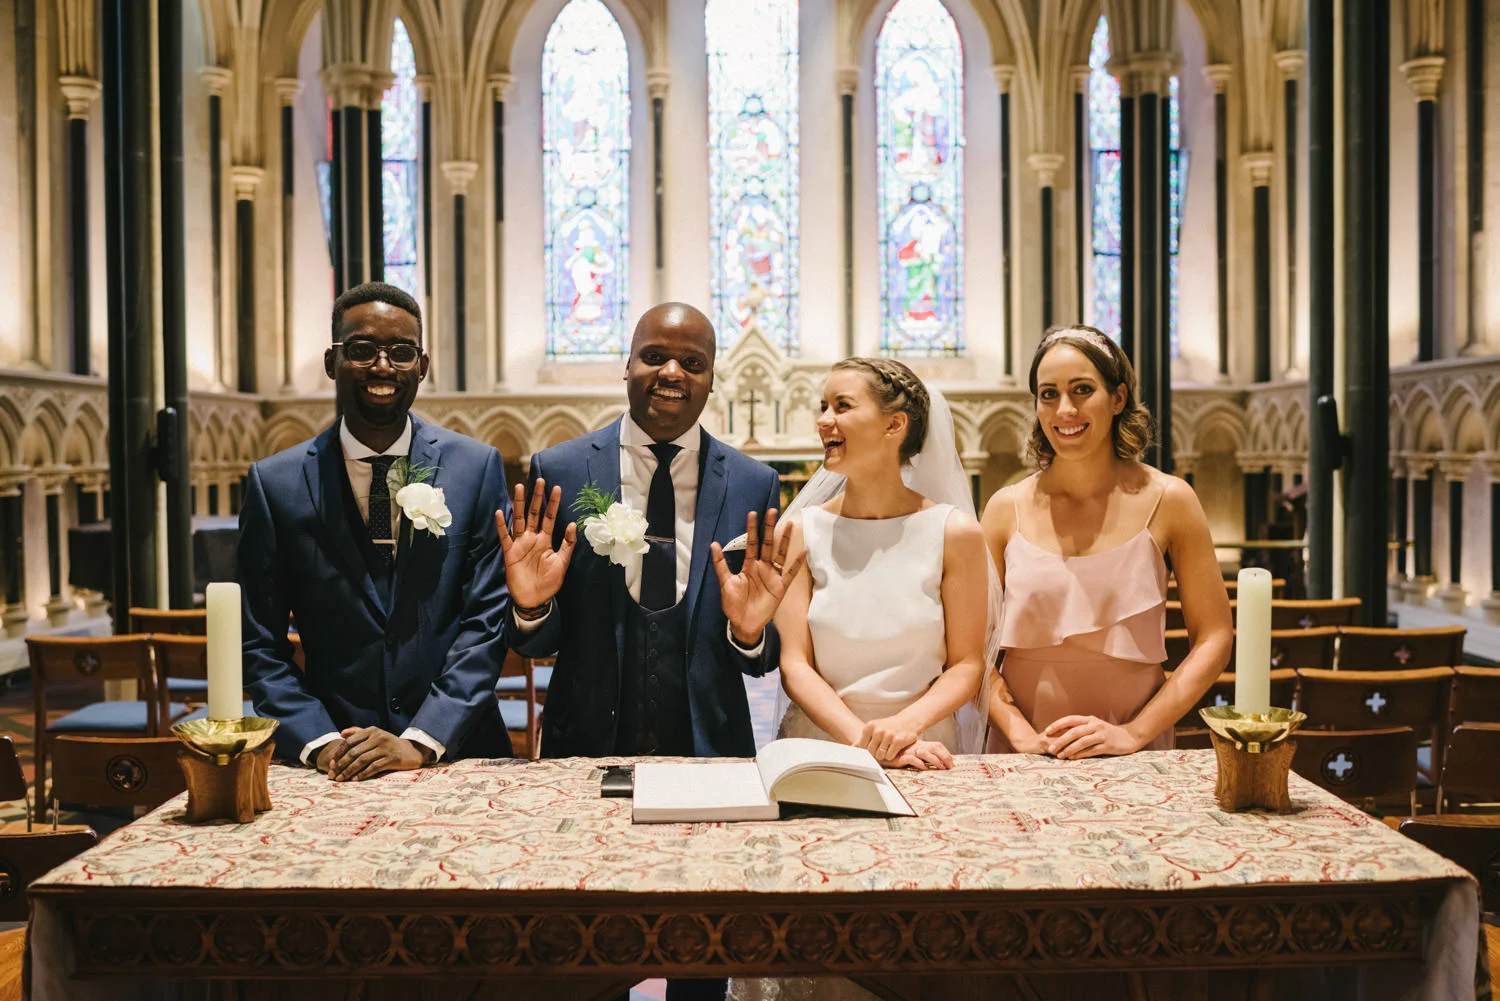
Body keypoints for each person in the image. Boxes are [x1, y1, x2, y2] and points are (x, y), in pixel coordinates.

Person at [239, 282, 515, 778]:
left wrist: (421, 739)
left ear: (422, 366)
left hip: (457, 750)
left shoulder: (475, 470)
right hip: (335, 759)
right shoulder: (275, 484)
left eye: (401, 352)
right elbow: (259, 641)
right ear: (332, 362)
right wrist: (321, 742)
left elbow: (486, 623)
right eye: (362, 349)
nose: (383, 366)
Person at [501, 302, 797, 763]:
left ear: (712, 380)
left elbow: (760, 658)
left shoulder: (752, 484)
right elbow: (536, 643)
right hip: (585, 743)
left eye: (693, 363)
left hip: (712, 747)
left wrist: (749, 631)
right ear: (628, 366)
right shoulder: (561, 471)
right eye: (654, 357)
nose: (672, 373)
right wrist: (531, 606)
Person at [982, 324, 1232, 757]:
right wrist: (1019, 734)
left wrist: (1134, 733)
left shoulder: (1171, 500)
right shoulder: (1006, 509)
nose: (1065, 409)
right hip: (1024, 749)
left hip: (1131, 747)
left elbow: (1215, 637)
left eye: (1082, 390)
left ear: (1118, 398)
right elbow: (970, 652)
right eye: (1048, 394)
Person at [770, 358, 998, 768]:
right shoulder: (801, 532)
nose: (823, 420)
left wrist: (904, 728)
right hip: (824, 745)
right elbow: (795, 664)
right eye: (823, 407)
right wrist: (867, 742)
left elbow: (967, 664)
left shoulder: (955, 533)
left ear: (894, 425)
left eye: (842, 406)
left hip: (921, 745)